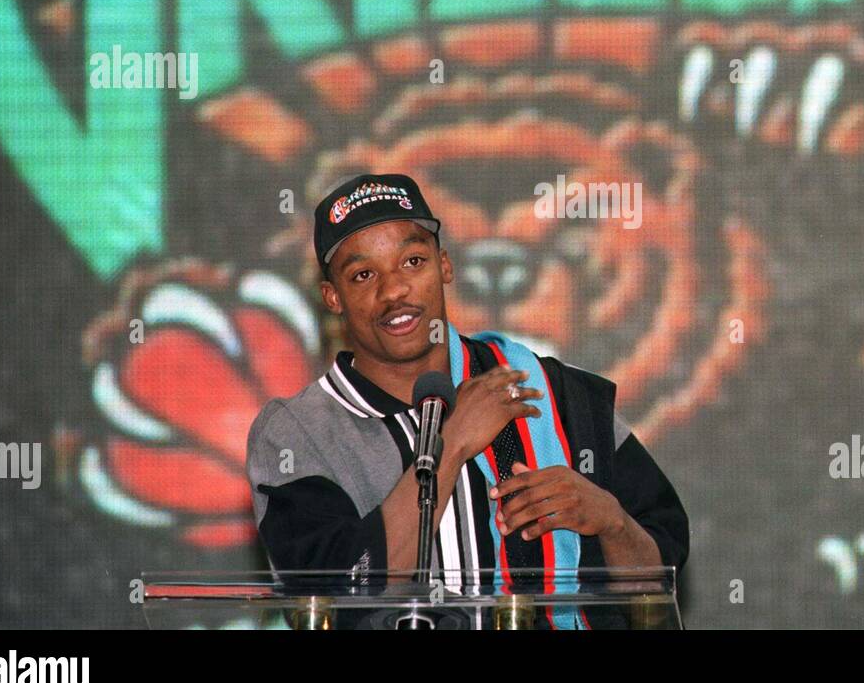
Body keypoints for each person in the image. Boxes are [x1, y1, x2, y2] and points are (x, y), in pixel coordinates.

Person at [246, 172, 689, 628]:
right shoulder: (298, 434)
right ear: (332, 297)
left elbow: (658, 580)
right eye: (363, 275)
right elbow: (334, 589)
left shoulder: (553, 393)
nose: (394, 290)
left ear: (445, 266)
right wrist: (451, 446)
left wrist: (609, 520)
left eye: (413, 261)